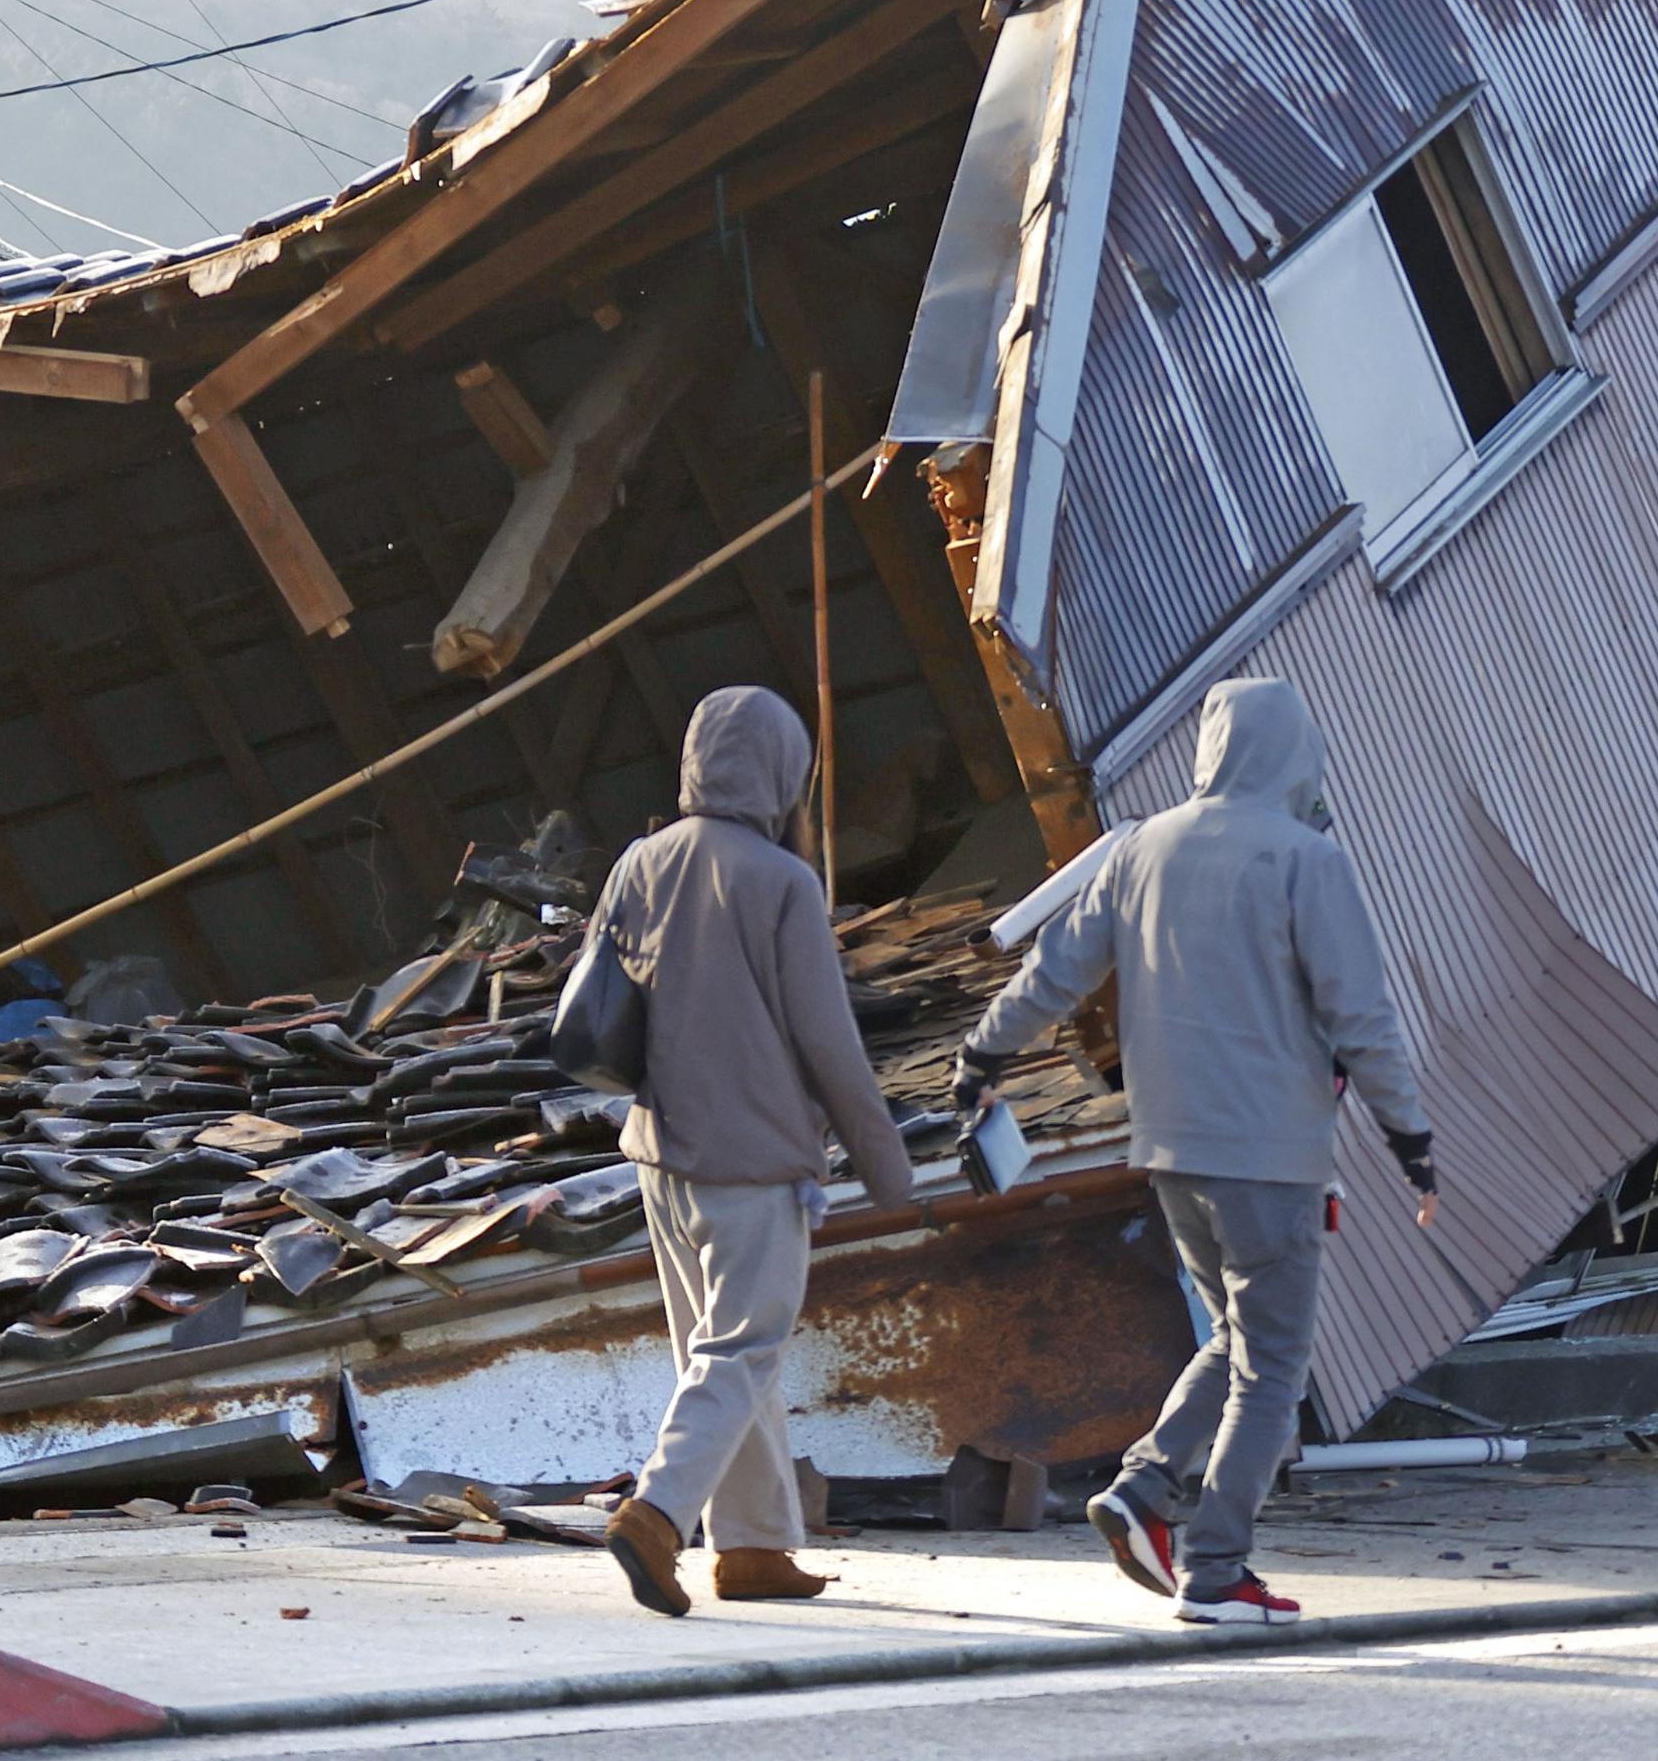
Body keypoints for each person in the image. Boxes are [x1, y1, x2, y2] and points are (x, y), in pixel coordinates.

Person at [951, 677, 1434, 1627]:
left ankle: (1141, 1487)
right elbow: (1362, 1016)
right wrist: (1408, 1134)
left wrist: (983, 1052)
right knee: (1275, 1369)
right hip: (1272, 1158)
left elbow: (1056, 970)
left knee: (1233, 1338)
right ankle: (1216, 1572)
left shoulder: (1140, 850)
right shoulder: (1307, 860)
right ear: (1298, 755)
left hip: (1172, 1152)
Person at [594, 684, 920, 1619]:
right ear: (784, 772)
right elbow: (830, 1045)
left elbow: (600, 994)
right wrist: (887, 1169)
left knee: (723, 1354)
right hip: (752, 1162)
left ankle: (754, 1549)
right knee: (741, 1351)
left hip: (660, 1152)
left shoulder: (639, 863)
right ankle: (656, 1515)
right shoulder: (782, 882)